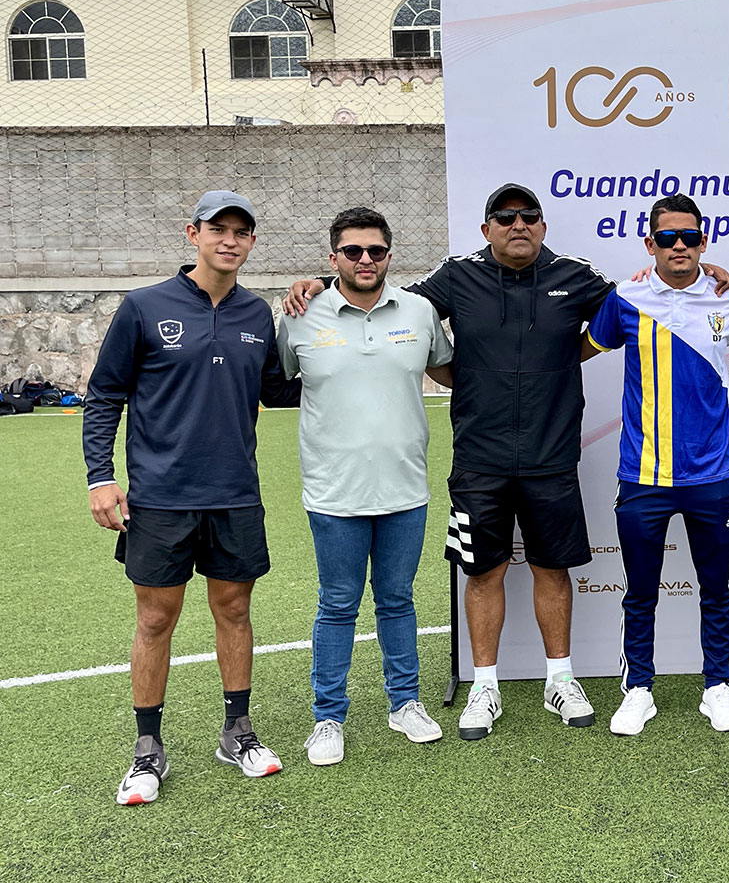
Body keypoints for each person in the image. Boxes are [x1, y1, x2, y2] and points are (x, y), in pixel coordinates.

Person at [286, 183, 612, 739]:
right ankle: (484, 686)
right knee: (483, 571)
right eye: (504, 217)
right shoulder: (456, 276)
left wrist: (571, 354)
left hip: (552, 455)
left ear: (543, 225)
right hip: (478, 458)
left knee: (552, 569)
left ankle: (560, 678)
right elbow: (381, 295)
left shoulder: (574, 276)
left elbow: (631, 312)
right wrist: (320, 281)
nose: (518, 224)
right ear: (486, 229)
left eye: (529, 216)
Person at [85, 190, 301, 805]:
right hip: (160, 497)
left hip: (235, 494)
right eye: (217, 229)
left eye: (241, 232)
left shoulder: (257, 314)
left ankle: (237, 732)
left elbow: (280, 391)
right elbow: (104, 396)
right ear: (193, 234)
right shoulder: (144, 306)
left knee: (234, 610)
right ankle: (147, 748)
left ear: (252, 242)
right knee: (156, 618)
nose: (229, 240)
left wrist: (326, 323)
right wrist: (100, 477)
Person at [278, 207, 454, 765]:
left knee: (397, 600)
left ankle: (405, 703)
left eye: (375, 251)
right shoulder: (301, 314)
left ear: (389, 256)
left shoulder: (420, 312)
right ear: (333, 258)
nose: (365, 260)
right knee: (337, 604)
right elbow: (273, 380)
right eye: (353, 251)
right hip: (334, 492)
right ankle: (328, 717)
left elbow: (449, 370)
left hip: (405, 488)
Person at [585, 195, 729, 736]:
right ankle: (639, 688)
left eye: (689, 236)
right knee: (640, 591)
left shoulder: (727, 297)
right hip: (643, 477)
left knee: (717, 590)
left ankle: (717, 687)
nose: (679, 246)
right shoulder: (626, 297)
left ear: (703, 242)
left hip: (713, 477)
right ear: (651, 244)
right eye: (668, 237)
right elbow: (578, 350)